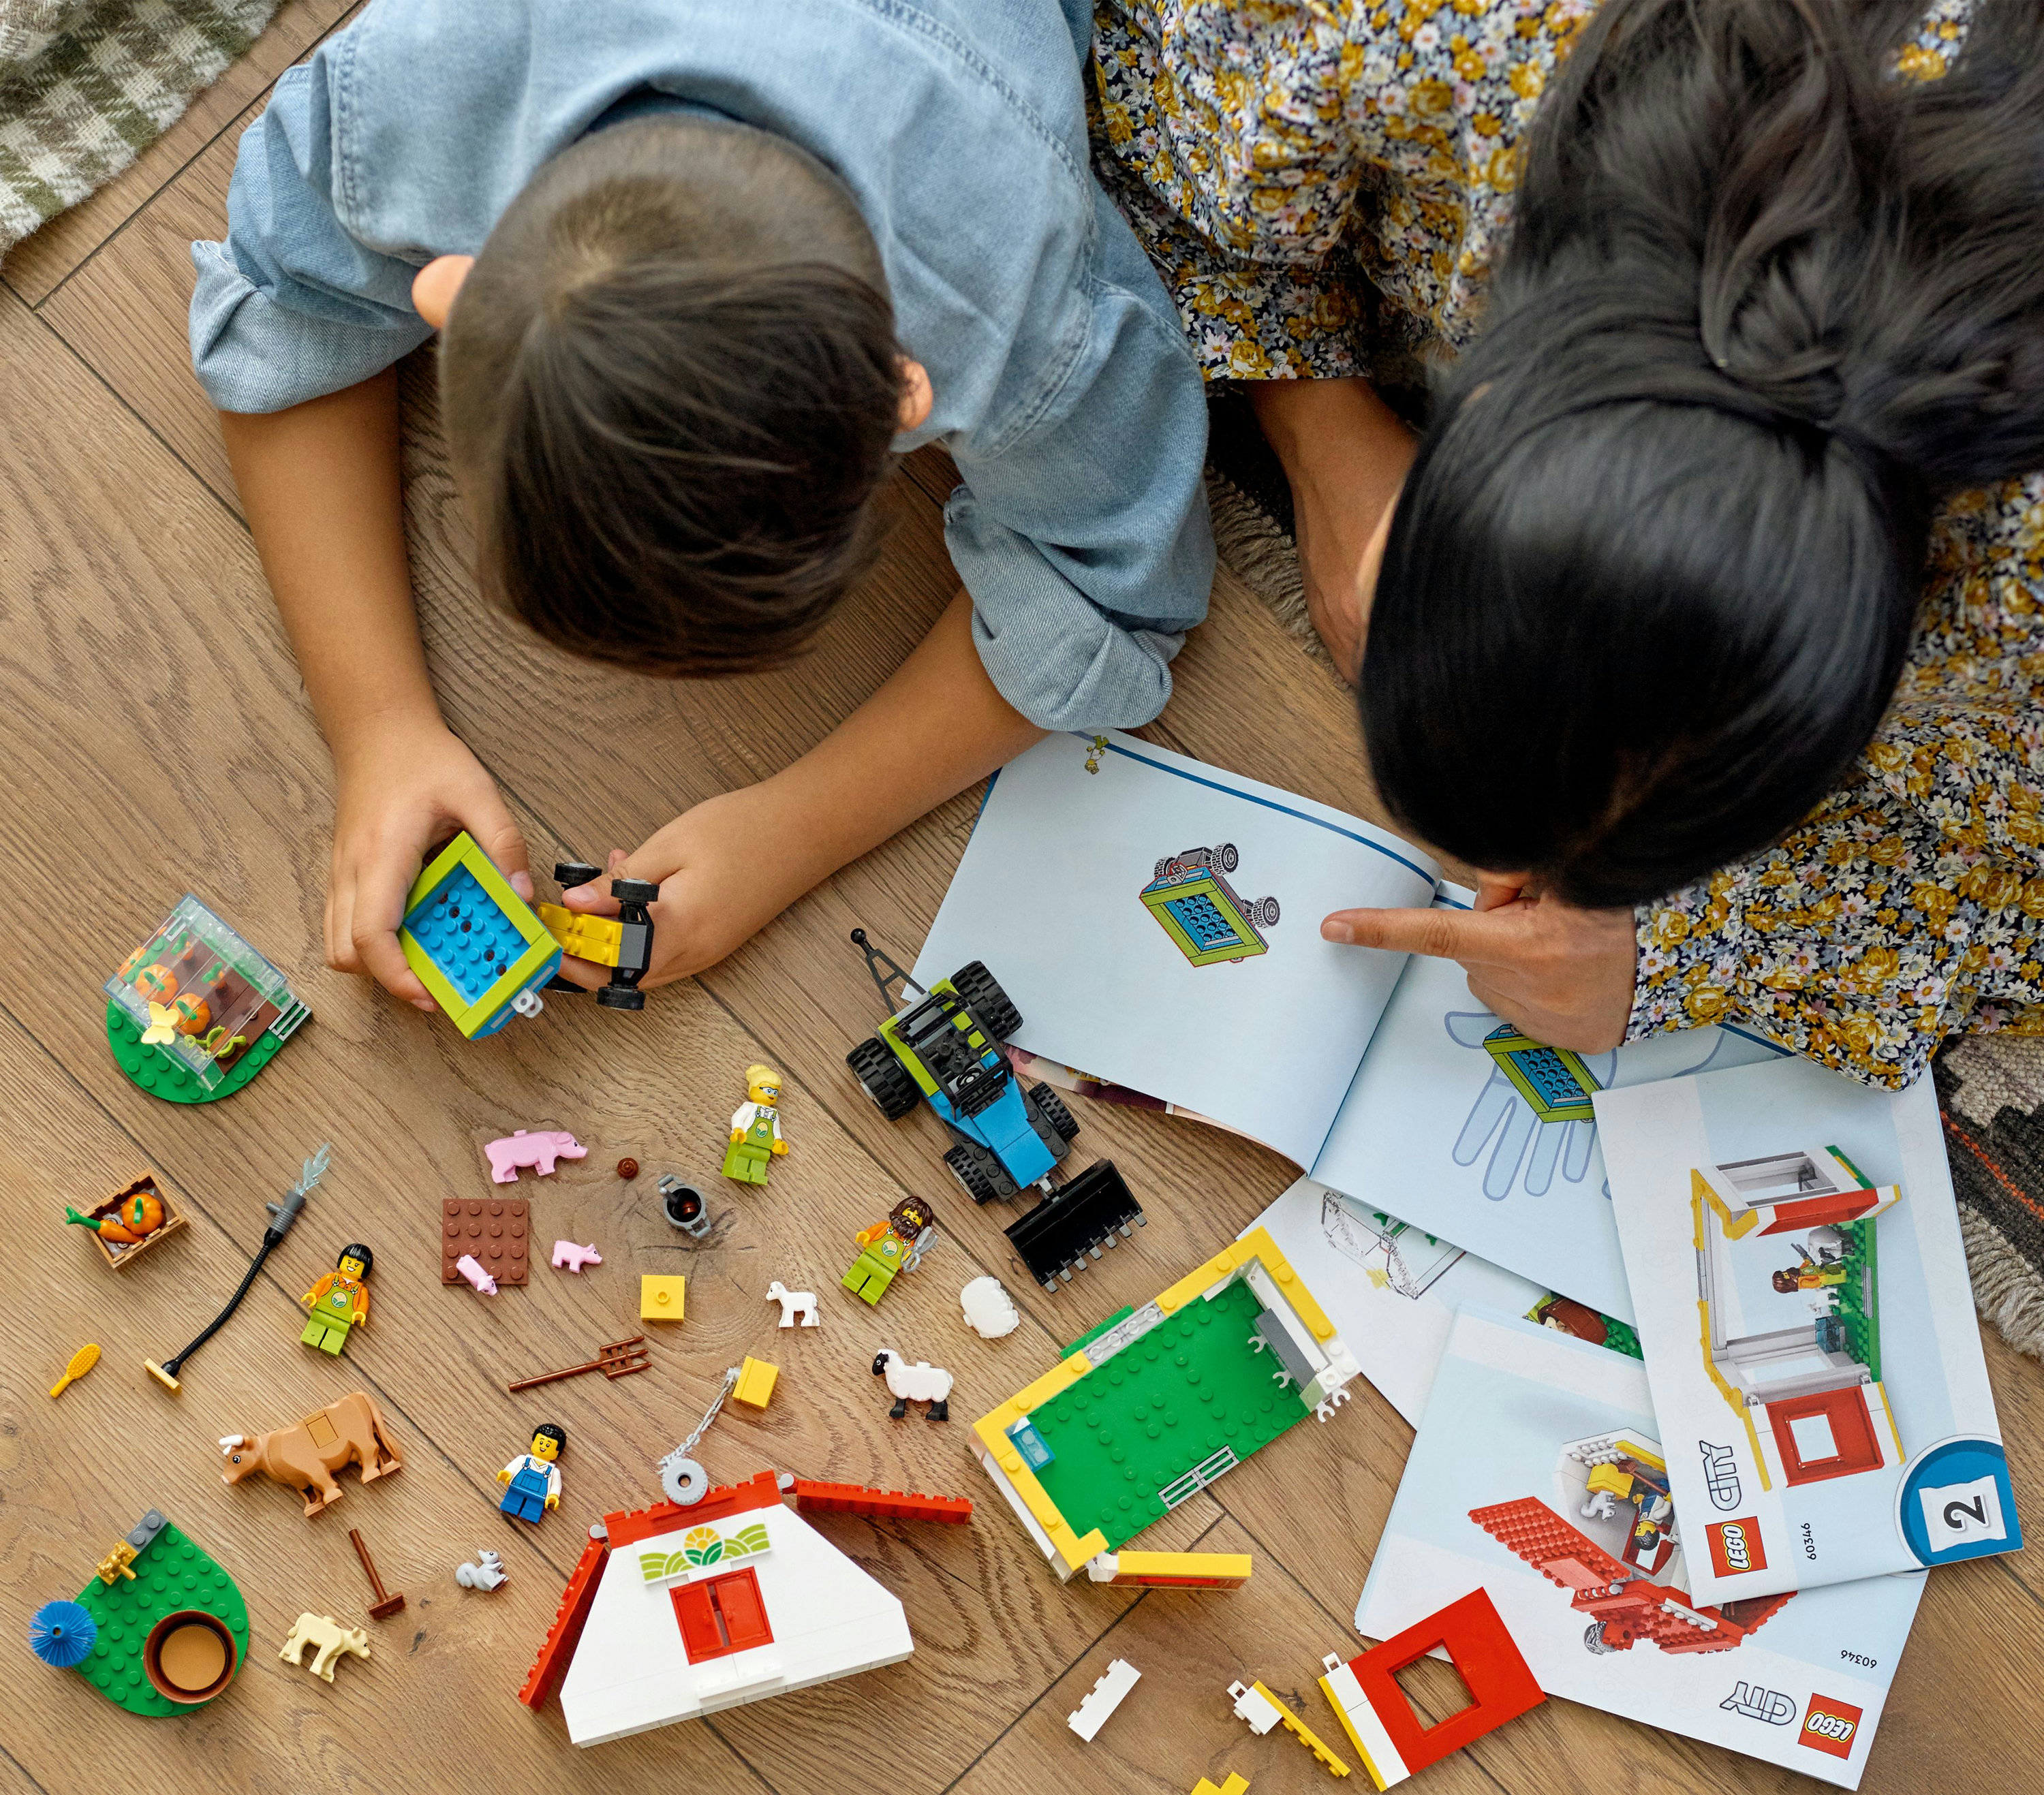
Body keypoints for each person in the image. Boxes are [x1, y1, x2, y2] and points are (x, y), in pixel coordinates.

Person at [1090, 0, 2044, 1087]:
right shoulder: (1423, 51)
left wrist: (1696, 946)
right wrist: (1320, 426)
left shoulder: (2014, 606)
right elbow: (1118, 100)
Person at [191, 0, 1212, 1006]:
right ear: (447, 290)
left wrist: (794, 831)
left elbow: (1114, 593)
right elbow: (281, 307)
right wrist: (377, 727)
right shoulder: (416, 85)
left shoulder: (1024, 308)